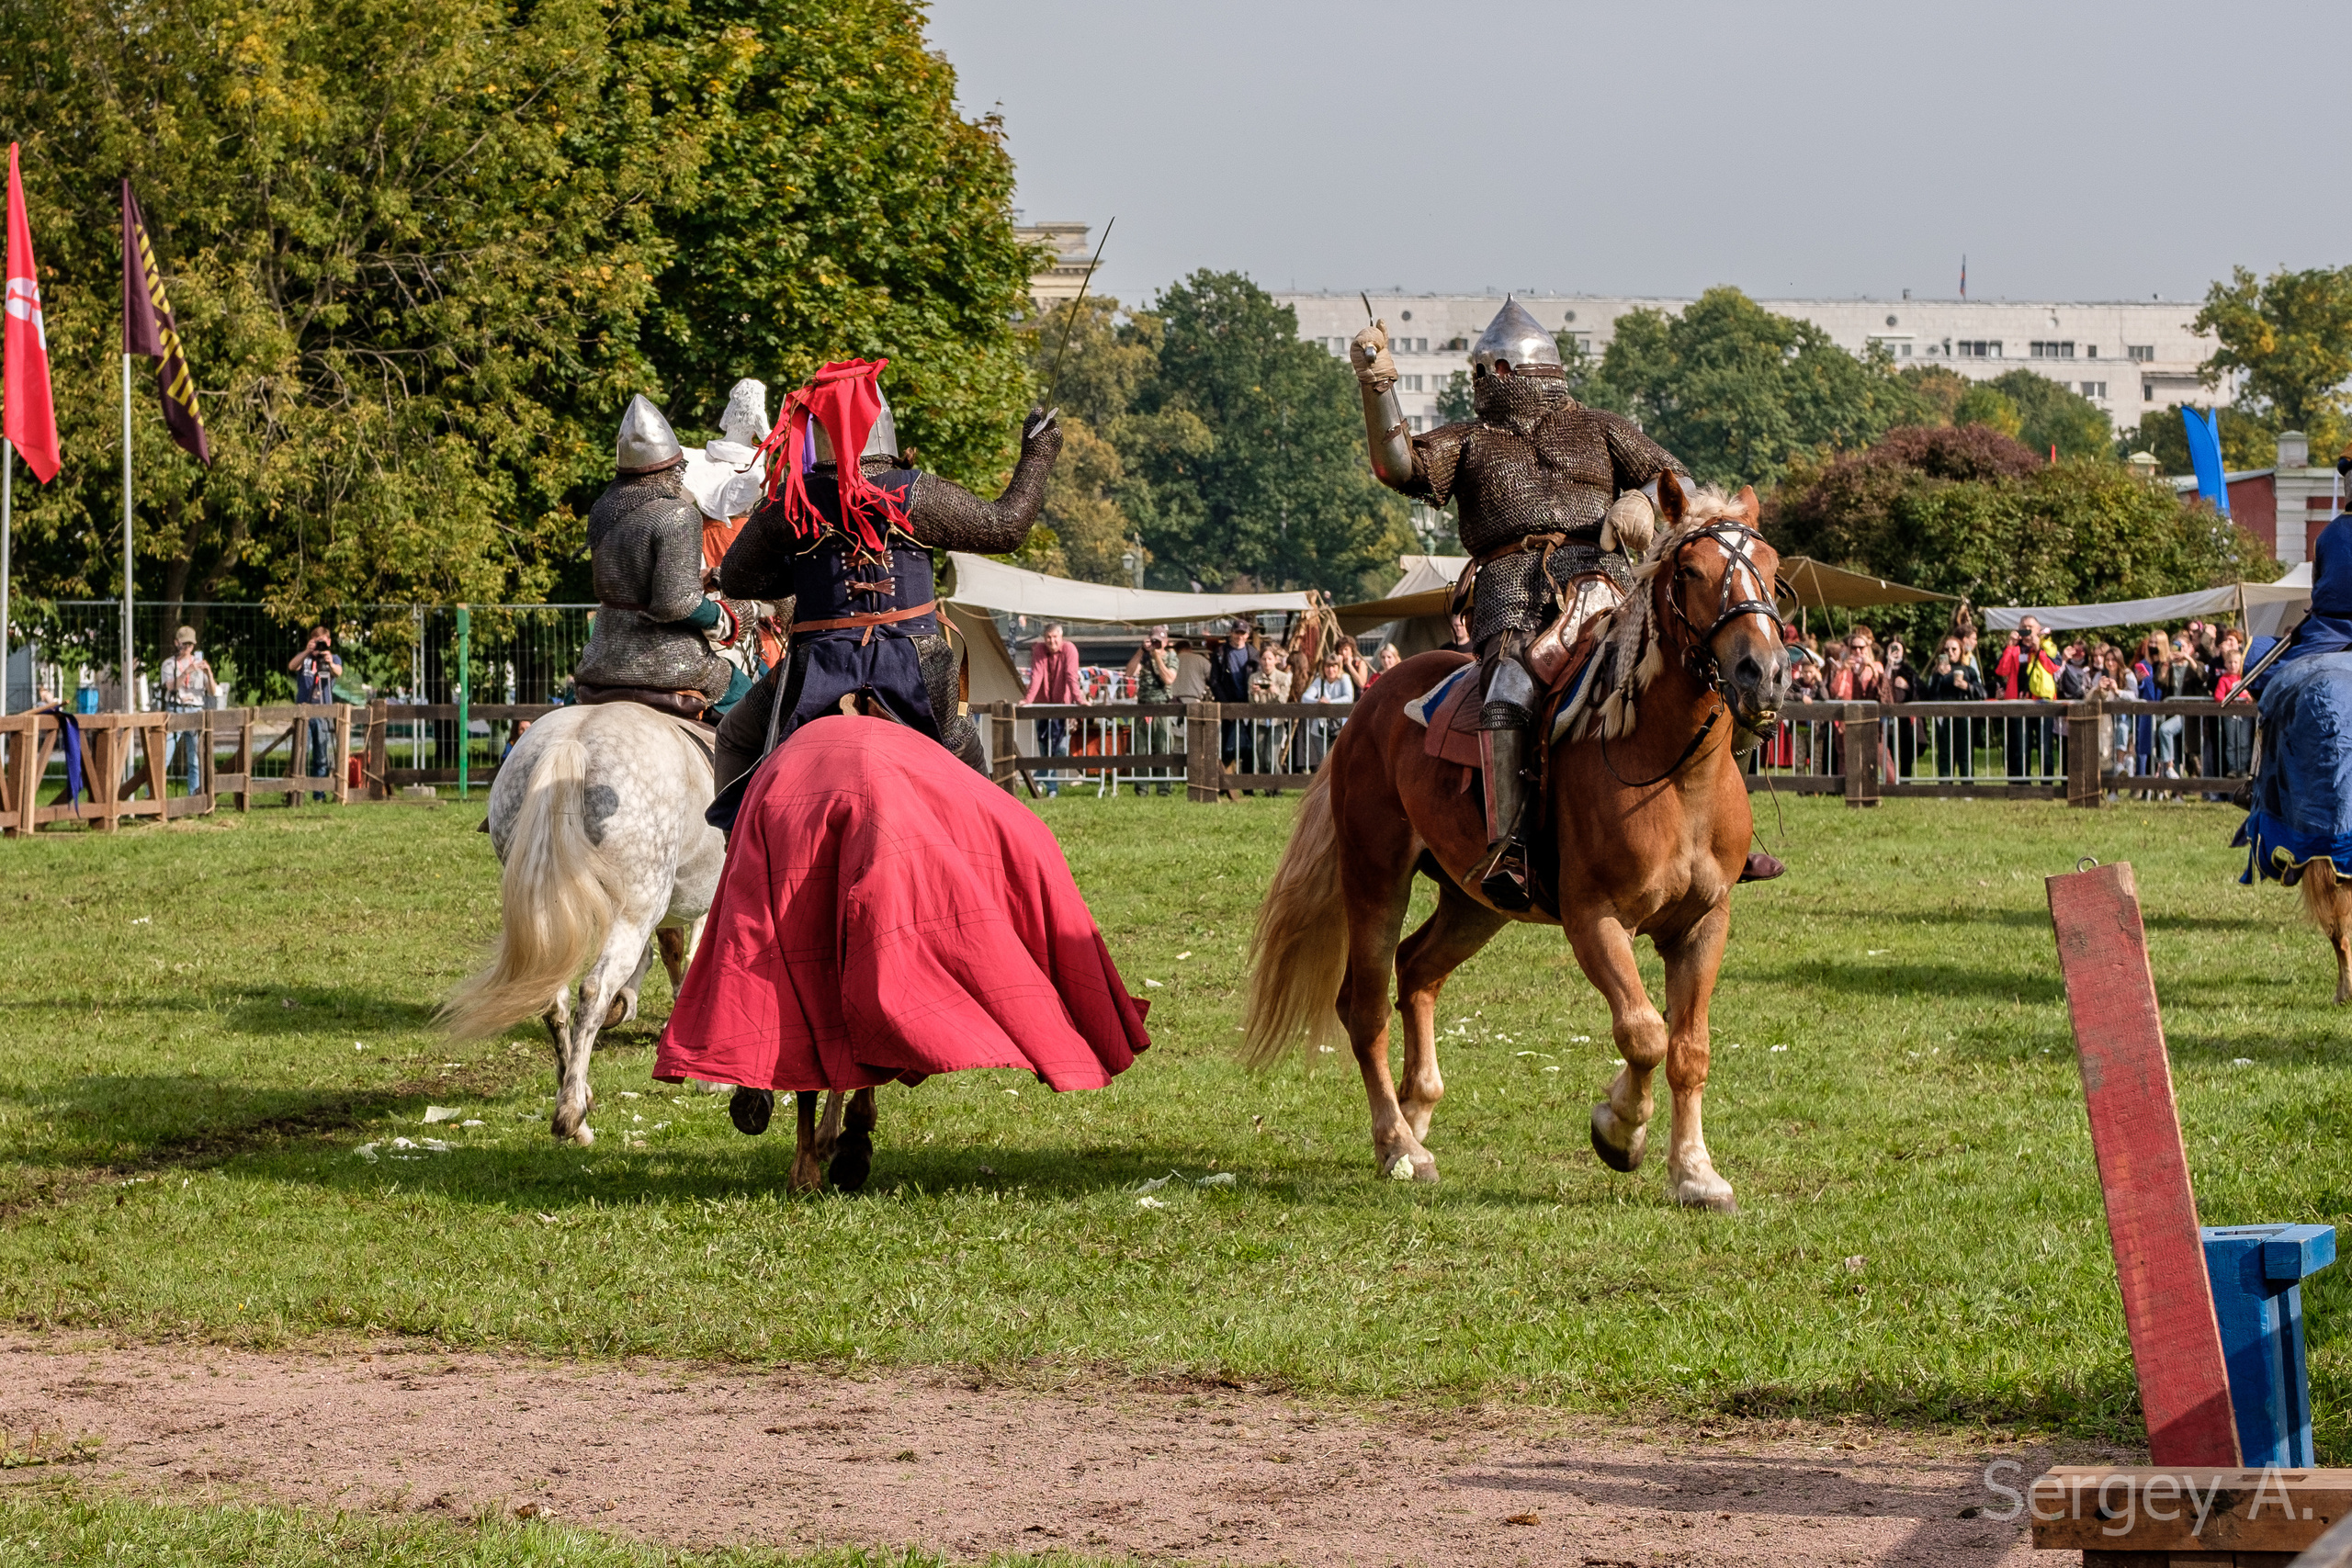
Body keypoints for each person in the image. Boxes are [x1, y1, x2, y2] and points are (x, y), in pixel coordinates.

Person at [1351, 297, 1727, 906]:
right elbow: (1399, 468)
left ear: (1516, 372)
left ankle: (1725, 835)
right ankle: (1511, 847)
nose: (1482, 381)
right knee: (1507, 692)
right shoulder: (1470, 440)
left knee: (1700, 672)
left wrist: (1643, 500)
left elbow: (1677, 479)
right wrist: (1378, 387)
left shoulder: (1600, 427)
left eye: (1489, 370)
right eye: (1478, 373)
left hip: (1606, 588)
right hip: (1513, 597)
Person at [708, 362, 1062, 829]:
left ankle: (736, 847)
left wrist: (811, 574)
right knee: (966, 753)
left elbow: (737, 580)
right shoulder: (915, 492)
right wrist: (1037, 454)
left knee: (734, 736)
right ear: (884, 431)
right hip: (914, 667)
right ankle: (993, 842)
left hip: (817, 669)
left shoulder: (791, 502)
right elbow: (1006, 527)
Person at [575, 395, 757, 727]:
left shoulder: (603, 509)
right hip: (666, 659)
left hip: (602, 657)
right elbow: (675, 604)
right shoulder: (676, 514)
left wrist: (697, 579)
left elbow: (633, 586)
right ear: (670, 469)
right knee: (754, 700)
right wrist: (725, 617)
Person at [1025, 623, 1086, 797]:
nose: (1052, 641)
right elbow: (1037, 675)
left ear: (1061, 637)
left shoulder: (1069, 649)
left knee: (1061, 749)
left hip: (1062, 707)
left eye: (1055, 637)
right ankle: (1052, 788)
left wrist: (1079, 700)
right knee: (1044, 748)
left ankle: (1036, 777)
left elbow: (1071, 675)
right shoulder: (1039, 649)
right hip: (1042, 706)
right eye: (1048, 637)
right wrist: (1028, 700)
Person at [157, 626, 216, 796]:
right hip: (176, 709)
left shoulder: (199, 663)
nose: (188, 648)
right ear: (177, 643)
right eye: (184, 644)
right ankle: (153, 796)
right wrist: (186, 672)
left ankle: (194, 797)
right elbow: (171, 686)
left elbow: (212, 691)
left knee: (195, 760)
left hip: (196, 710)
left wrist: (209, 673)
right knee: (164, 757)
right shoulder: (169, 664)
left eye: (191, 645)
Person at [287, 626, 343, 800]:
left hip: (322, 711)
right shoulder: (305, 658)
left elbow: (338, 672)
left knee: (321, 755)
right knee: (301, 752)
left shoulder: (333, 658)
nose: (320, 647)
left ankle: (319, 793)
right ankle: (298, 791)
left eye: (322, 642)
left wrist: (329, 662)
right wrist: (307, 651)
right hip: (304, 711)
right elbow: (291, 666)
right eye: (317, 642)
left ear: (329, 642)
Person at [1124, 626, 1179, 795]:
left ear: (1166, 642)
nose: (1156, 644)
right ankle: (1141, 788)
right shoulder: (1144, 656)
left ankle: (1164, 787)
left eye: (1159, 642)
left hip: (1162, 706)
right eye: (1154, 641)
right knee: (1140, 748)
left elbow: (1169, 679)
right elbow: (1129, 673)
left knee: (1164, 747)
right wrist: (1141, 650)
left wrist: (1157, 657)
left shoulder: (1171, 656)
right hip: (1143, 705)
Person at [1926, 635, 1984, 777]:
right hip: (1944, 717)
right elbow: (1930, 695)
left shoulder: (1969, 670)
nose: (1950, 652)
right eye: (1947, 649)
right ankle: (1945, 786)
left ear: (1961, 650)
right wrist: (1939, 676)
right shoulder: (1937, 672)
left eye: (1954, 649)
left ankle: (1967, 786)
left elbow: (1982, 693)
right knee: (1945, 754)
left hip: (1965, 716)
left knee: (1965, 754)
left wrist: (1967, 686)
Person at [1208, 617, 1257, 779]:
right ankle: (1225, 783)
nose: (1239, 636)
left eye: (1243, 633)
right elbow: (1214, 681)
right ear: (1231, 633)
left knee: (1249, 747)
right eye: (1237, 632)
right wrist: (1226, 706)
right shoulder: (1220, 653)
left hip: (1248, 706)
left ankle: (1248, 785)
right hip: (1228, 706)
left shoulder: (1254, 654)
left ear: (1247, 635)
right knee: (1226, 746)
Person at [1300, 649, 1354, 765]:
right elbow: (1305, 698)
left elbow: (1348, 697)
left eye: (1334, 666)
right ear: (1323, 668)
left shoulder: (1344, 679)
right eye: (1328, 666)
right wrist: (1318, 701)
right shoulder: (1319, 680)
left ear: (1338, 667)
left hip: (1340, 727)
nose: (1330, 670)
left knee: (1338, 759)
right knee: (1323, 760)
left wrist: (1329, 702)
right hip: (1320, 728)